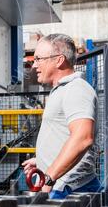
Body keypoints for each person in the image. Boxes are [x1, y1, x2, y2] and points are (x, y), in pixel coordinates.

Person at [21, 33, 99, 198]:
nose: (34, 66)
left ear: (59, 60)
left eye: (38, 59)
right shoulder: (62, 90)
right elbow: (63, 135)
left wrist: (49, 177)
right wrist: (41, 159)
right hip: (61, 185)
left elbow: (83, 138)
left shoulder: (76, 89)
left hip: (69, 188)